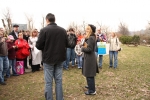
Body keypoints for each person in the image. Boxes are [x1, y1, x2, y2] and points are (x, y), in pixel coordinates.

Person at [36, 13, 68, 100]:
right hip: (59, 58)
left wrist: (46, 47)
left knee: (49, 82)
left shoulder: (44, 30)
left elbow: (38, 45)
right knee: (58, 80)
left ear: (47, 20)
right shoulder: (62, 30)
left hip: (48, 58)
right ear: (54, 20)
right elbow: (67, 43)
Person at [81, 24, 99, 95]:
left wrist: (82, 48)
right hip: (88, 57)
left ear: (91, 30)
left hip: (90, 58)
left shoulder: (91, 38)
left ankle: (92, 90)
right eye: (86, 28)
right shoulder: (89, 37)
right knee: (88, 73)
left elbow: (90, 49)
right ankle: (90, 85)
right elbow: (87, 46)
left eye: (88, 29)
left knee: (90, 74)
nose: (86, 30)